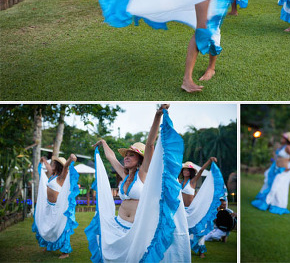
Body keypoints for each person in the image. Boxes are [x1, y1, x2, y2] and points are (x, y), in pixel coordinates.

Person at [85, 105, 191, 262]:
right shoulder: (124, 175)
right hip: (118, 224)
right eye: (126, 155)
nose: (126, 157)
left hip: (136, 228)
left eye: (131, 155)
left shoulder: (143, 174)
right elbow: (111, 158)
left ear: (140, 160)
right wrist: (103, 142)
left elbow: (149, 145)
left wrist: (157, 116)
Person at [32, 154, 79, 259]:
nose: (51, 165)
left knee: (60, 227)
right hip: (49, 206)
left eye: (54, 163)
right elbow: (49, 168)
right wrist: (44, 160)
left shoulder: (62, 177)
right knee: (47, 226)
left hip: (57, 208)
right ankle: (48, 245)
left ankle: (65, 252)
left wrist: (70, 159)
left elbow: (66, 167)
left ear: (58, 166)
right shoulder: (53, 175)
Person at [180, 158, 224, 258]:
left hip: (192, 210)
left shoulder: (193, 181)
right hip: (182, 210)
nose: (185, 171)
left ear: (190, 171)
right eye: (184, 169)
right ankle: (183, 249)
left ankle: (201, 251)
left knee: (199, 229)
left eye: (187, 170)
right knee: (183, 230)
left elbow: (200, 171)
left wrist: (209, 161)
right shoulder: (180, 181)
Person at [251, 132, 290, 215]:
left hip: (284, 171)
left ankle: (277, 205)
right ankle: (270, 202)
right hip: (277, 168)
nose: (281, 139)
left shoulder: (288, 147)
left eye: (283, 138)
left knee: (278, 187)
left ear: (287, 140)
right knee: (271, 184)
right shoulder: (282, 146)